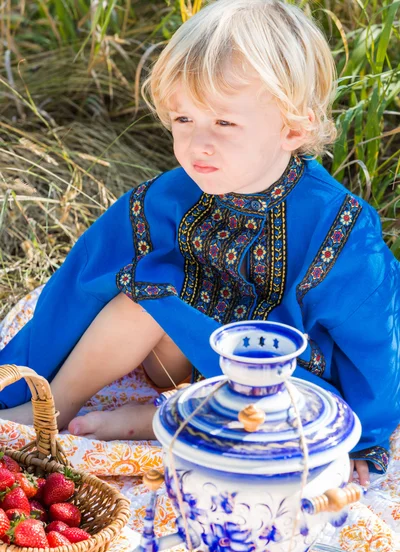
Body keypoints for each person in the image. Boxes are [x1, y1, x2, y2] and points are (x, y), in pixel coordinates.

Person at [0, 0, 399, 486]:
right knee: (140, 297)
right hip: (172, 354)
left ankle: (156, 419)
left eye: (224, 123)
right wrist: (19, 374)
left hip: (270, 378)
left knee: (285, 420)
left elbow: (376, 340)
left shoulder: (341, 228)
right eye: (183, 119)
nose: (196, 144)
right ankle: (55, 406)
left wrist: (367, 437)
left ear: (293, 128)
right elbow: (83, 279)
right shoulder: (170, 195)